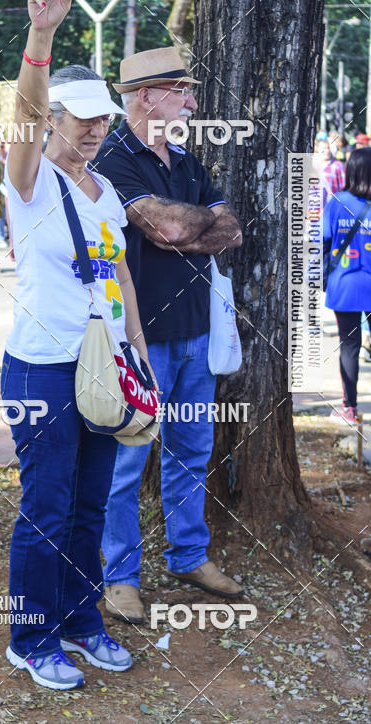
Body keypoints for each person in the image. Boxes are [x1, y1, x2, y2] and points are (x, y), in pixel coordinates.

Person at [2, 0, 147, 690]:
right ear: (55, 117)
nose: (94, 132)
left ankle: (83, 622)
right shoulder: (28, 183)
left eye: (103, 122)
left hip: (105, 367)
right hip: (43, 366)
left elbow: (118, 275)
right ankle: (32, 638)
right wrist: (41, 37)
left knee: (90, 505)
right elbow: (23, 119)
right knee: (48, 508)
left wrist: (140, 356)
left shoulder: (103, 192)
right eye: (82, 120)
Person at [92, 45, 243, 625]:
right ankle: (120, 578)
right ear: (148, 96)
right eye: (183, 91)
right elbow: (165, 224)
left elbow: (225, 229)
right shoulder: (114, 157)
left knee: (191, 450)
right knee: (127, 461)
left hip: (198, 333)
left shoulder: (185, 159)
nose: (193, 102)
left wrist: (183, 227)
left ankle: (188, 556)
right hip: (139, 337)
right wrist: (181, 224)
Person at [324, 147, 371, 425]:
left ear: (351, 172)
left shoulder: (337, 202)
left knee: (349, 346)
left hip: (345, 286)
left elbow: (321, 239)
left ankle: (350, 409)